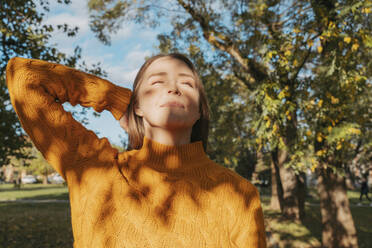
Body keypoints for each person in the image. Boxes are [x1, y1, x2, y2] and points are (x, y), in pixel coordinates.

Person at [6, 54, 266, 247]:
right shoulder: (94, 168)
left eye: (187, 84)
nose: (173, 88)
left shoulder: (239, 193)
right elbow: (24, 77)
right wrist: (120, 101)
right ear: (138, 105)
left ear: (199, 111)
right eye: (156, 83)